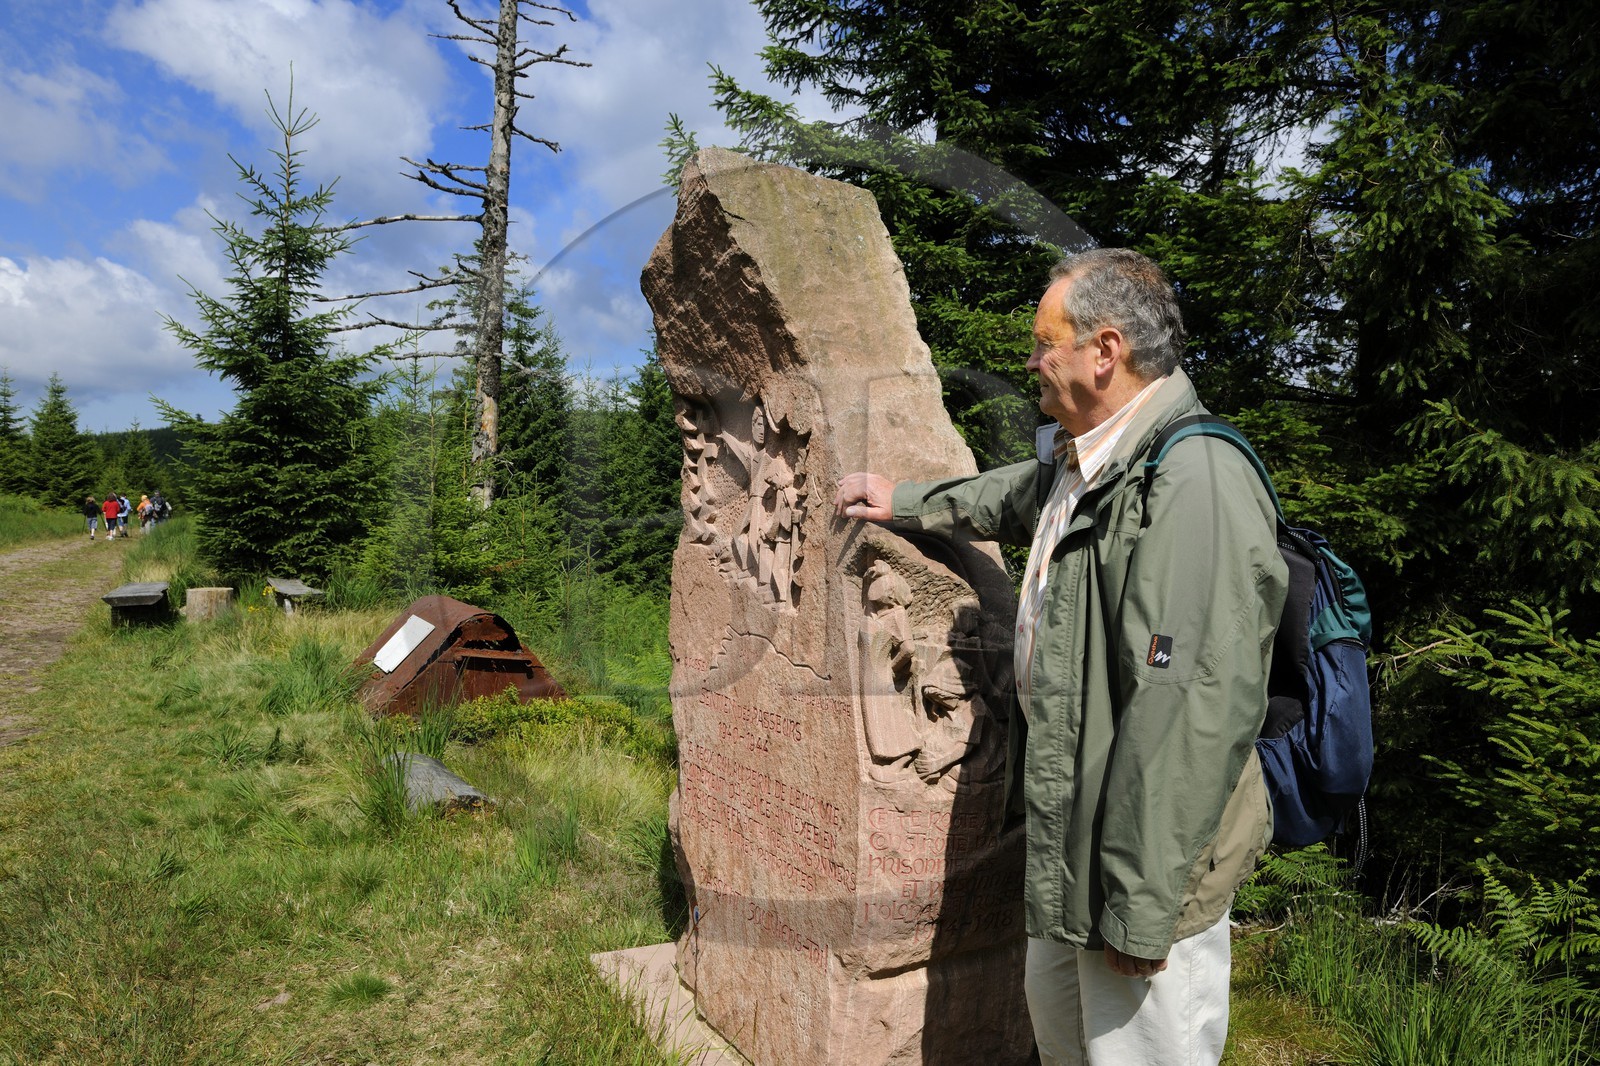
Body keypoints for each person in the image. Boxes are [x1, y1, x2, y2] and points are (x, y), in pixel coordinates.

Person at [834, 248, 1288, 1065]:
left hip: (1144, 874)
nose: (1032, 359)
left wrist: (1142, 906)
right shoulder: (1086, 462)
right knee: (1067, 1047)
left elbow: (1190, 713)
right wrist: (902, 502)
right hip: (1070, 851)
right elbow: (1006, 496)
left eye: (1047, 342)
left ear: (1105, 351)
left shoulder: (1192, 481)